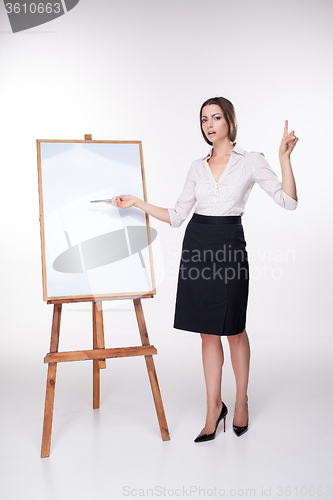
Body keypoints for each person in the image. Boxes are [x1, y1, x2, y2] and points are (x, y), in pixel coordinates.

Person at [108, 96, 298, 443]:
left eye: (216, 118)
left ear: (229, 121)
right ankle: (213, 407)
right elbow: (178, 216)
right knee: (207, 332)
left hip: (229, 243)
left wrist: (284, 159)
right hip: (197, 245)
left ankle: (241, 401)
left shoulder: (252, 161)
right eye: (204, 120)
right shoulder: (196, 167)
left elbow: (288, 201)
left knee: (234, 329)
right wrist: (137, 202)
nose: (209, 125)